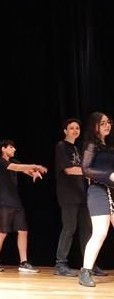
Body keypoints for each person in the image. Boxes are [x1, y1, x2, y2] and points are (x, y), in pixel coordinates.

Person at [0, 140, 47, 273]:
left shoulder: (14, 160)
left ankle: (23, 262)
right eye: (11, 147)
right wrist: (36, 166)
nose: (14, 149)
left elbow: (24, 170)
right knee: (2, 232)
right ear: (3, 149)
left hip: (16, 201)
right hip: (4, 201)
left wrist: (33, 172)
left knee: (23, 231)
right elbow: (16, 168)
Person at [78, 112, 114, 288]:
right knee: (100, 233)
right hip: (98, 192)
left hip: (112, 191)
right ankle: (85, 272)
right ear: (95, 126)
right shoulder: (92, 145)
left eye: (108, 122)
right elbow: (85, 169)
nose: (107, 125)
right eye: (103, 123)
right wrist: (110, 175)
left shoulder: (108, 146)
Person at [54, 118, 91, 276]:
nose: (75, 130)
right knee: (69, 228)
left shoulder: (76, 148)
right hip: (68, 195)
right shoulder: (61, 146)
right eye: (71, 128)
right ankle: (60, 264)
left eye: (77, 128)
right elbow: (68, 170)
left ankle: (89, 265)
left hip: (82, 194)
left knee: (87, 230)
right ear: (65, 131)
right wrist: (90, 172)